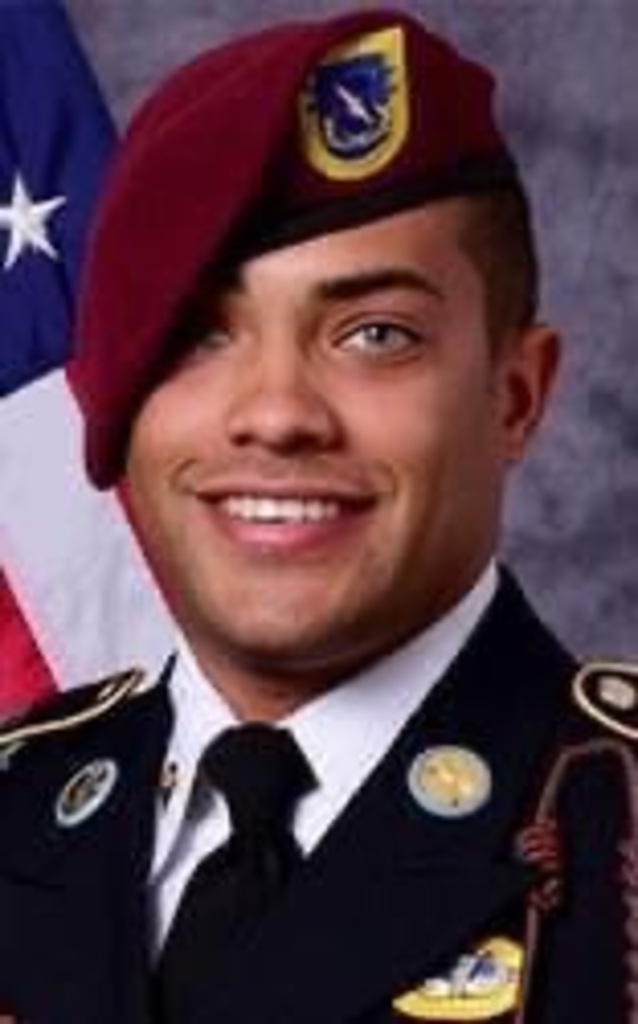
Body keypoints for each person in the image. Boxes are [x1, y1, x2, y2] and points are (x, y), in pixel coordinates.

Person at [0, 8, 636, 1024]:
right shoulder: (19, 799)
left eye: (374, 334)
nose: (277, 413)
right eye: (197, 334)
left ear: (515, 396)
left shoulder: (612, 819)